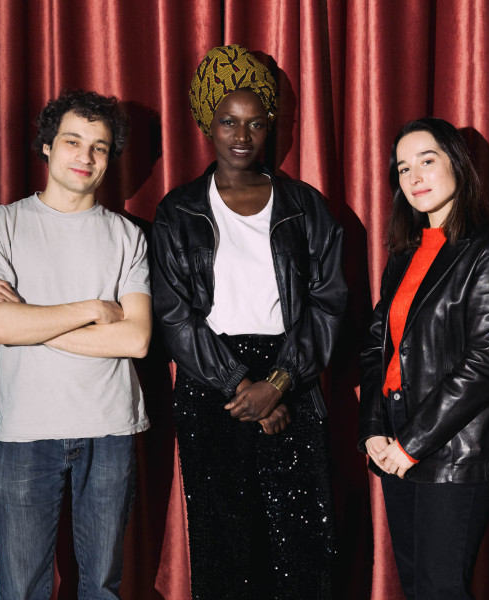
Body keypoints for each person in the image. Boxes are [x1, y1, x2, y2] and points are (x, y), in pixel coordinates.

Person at [151, 45, 348, 600]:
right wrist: (241, 386)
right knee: (224, 547)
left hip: (292, 376)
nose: (242, 135)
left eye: (256, 123)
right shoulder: (178, 210)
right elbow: (173, 314)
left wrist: (278, 384)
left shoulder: (306, 207)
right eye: (229, 121)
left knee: (300, 548)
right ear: (207, 124)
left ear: (271, 126)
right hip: (212, 384)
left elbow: (329, 303)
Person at [0, 89, 152, 599]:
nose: (85, 156)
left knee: (102, 588)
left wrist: (30, 320)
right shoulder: (1, 224)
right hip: (28, 431)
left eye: (99, 147)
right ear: (48, 145)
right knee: (21, 589)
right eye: (73, 141)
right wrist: (93, 310)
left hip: (110, 428)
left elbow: (136, 339)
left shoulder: (129, 237)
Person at [358, 117, 489, 599]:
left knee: (440, 590)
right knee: (416, 587)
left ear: (457, 164)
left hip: (456, 449)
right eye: (403, 168)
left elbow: (485, 365)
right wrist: (373, 427)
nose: (414, 177)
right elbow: (376, 346)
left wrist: (410, 443)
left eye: (427, 161)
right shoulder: (404, 255)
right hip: (396, 436)